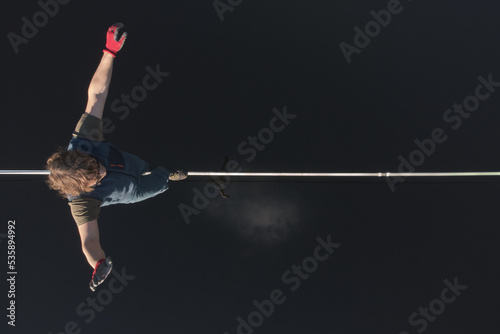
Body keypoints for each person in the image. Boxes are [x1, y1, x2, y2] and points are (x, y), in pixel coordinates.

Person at [45, 23, 187, 291]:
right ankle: (167, 175)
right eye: (97, 178)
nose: (102, 172)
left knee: (144, 164)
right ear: (84, 189)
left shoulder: (83, 142)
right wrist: (98, 264)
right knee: (158, 183)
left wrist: (109, 52)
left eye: (96, 167)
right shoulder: (80, 203)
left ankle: (159, 167)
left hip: (127, 161)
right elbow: (88, 242)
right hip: (129, 191)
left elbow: (96, 95)